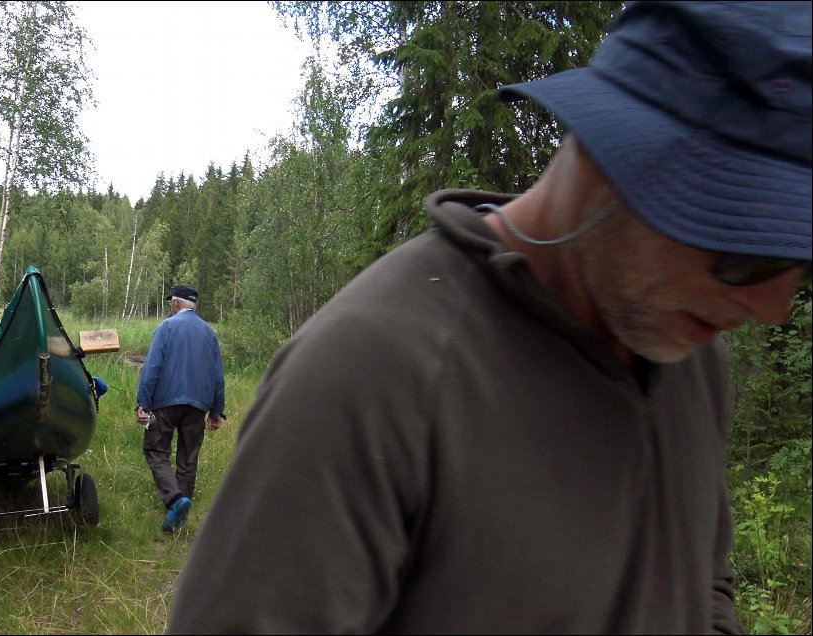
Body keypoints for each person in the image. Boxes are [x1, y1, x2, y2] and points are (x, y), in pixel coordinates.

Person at [167, 1, 811, 633]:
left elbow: (704, 583)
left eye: (798, 261)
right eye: (743, 253)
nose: (770, 307)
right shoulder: (370, 374)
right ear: (610, 159)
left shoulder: (693, 359)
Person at [136, 284, 226, 533]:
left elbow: (151, 368)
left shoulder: (167, 326)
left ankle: (175, 500)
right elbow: (218, 375)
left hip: (166, 402)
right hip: (198, 406)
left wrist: (143, 403)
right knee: (188, 458)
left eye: (170, 304)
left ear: (176, 304)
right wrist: (216, 411)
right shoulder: (209, 332)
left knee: (155, 450)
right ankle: (177, 520)